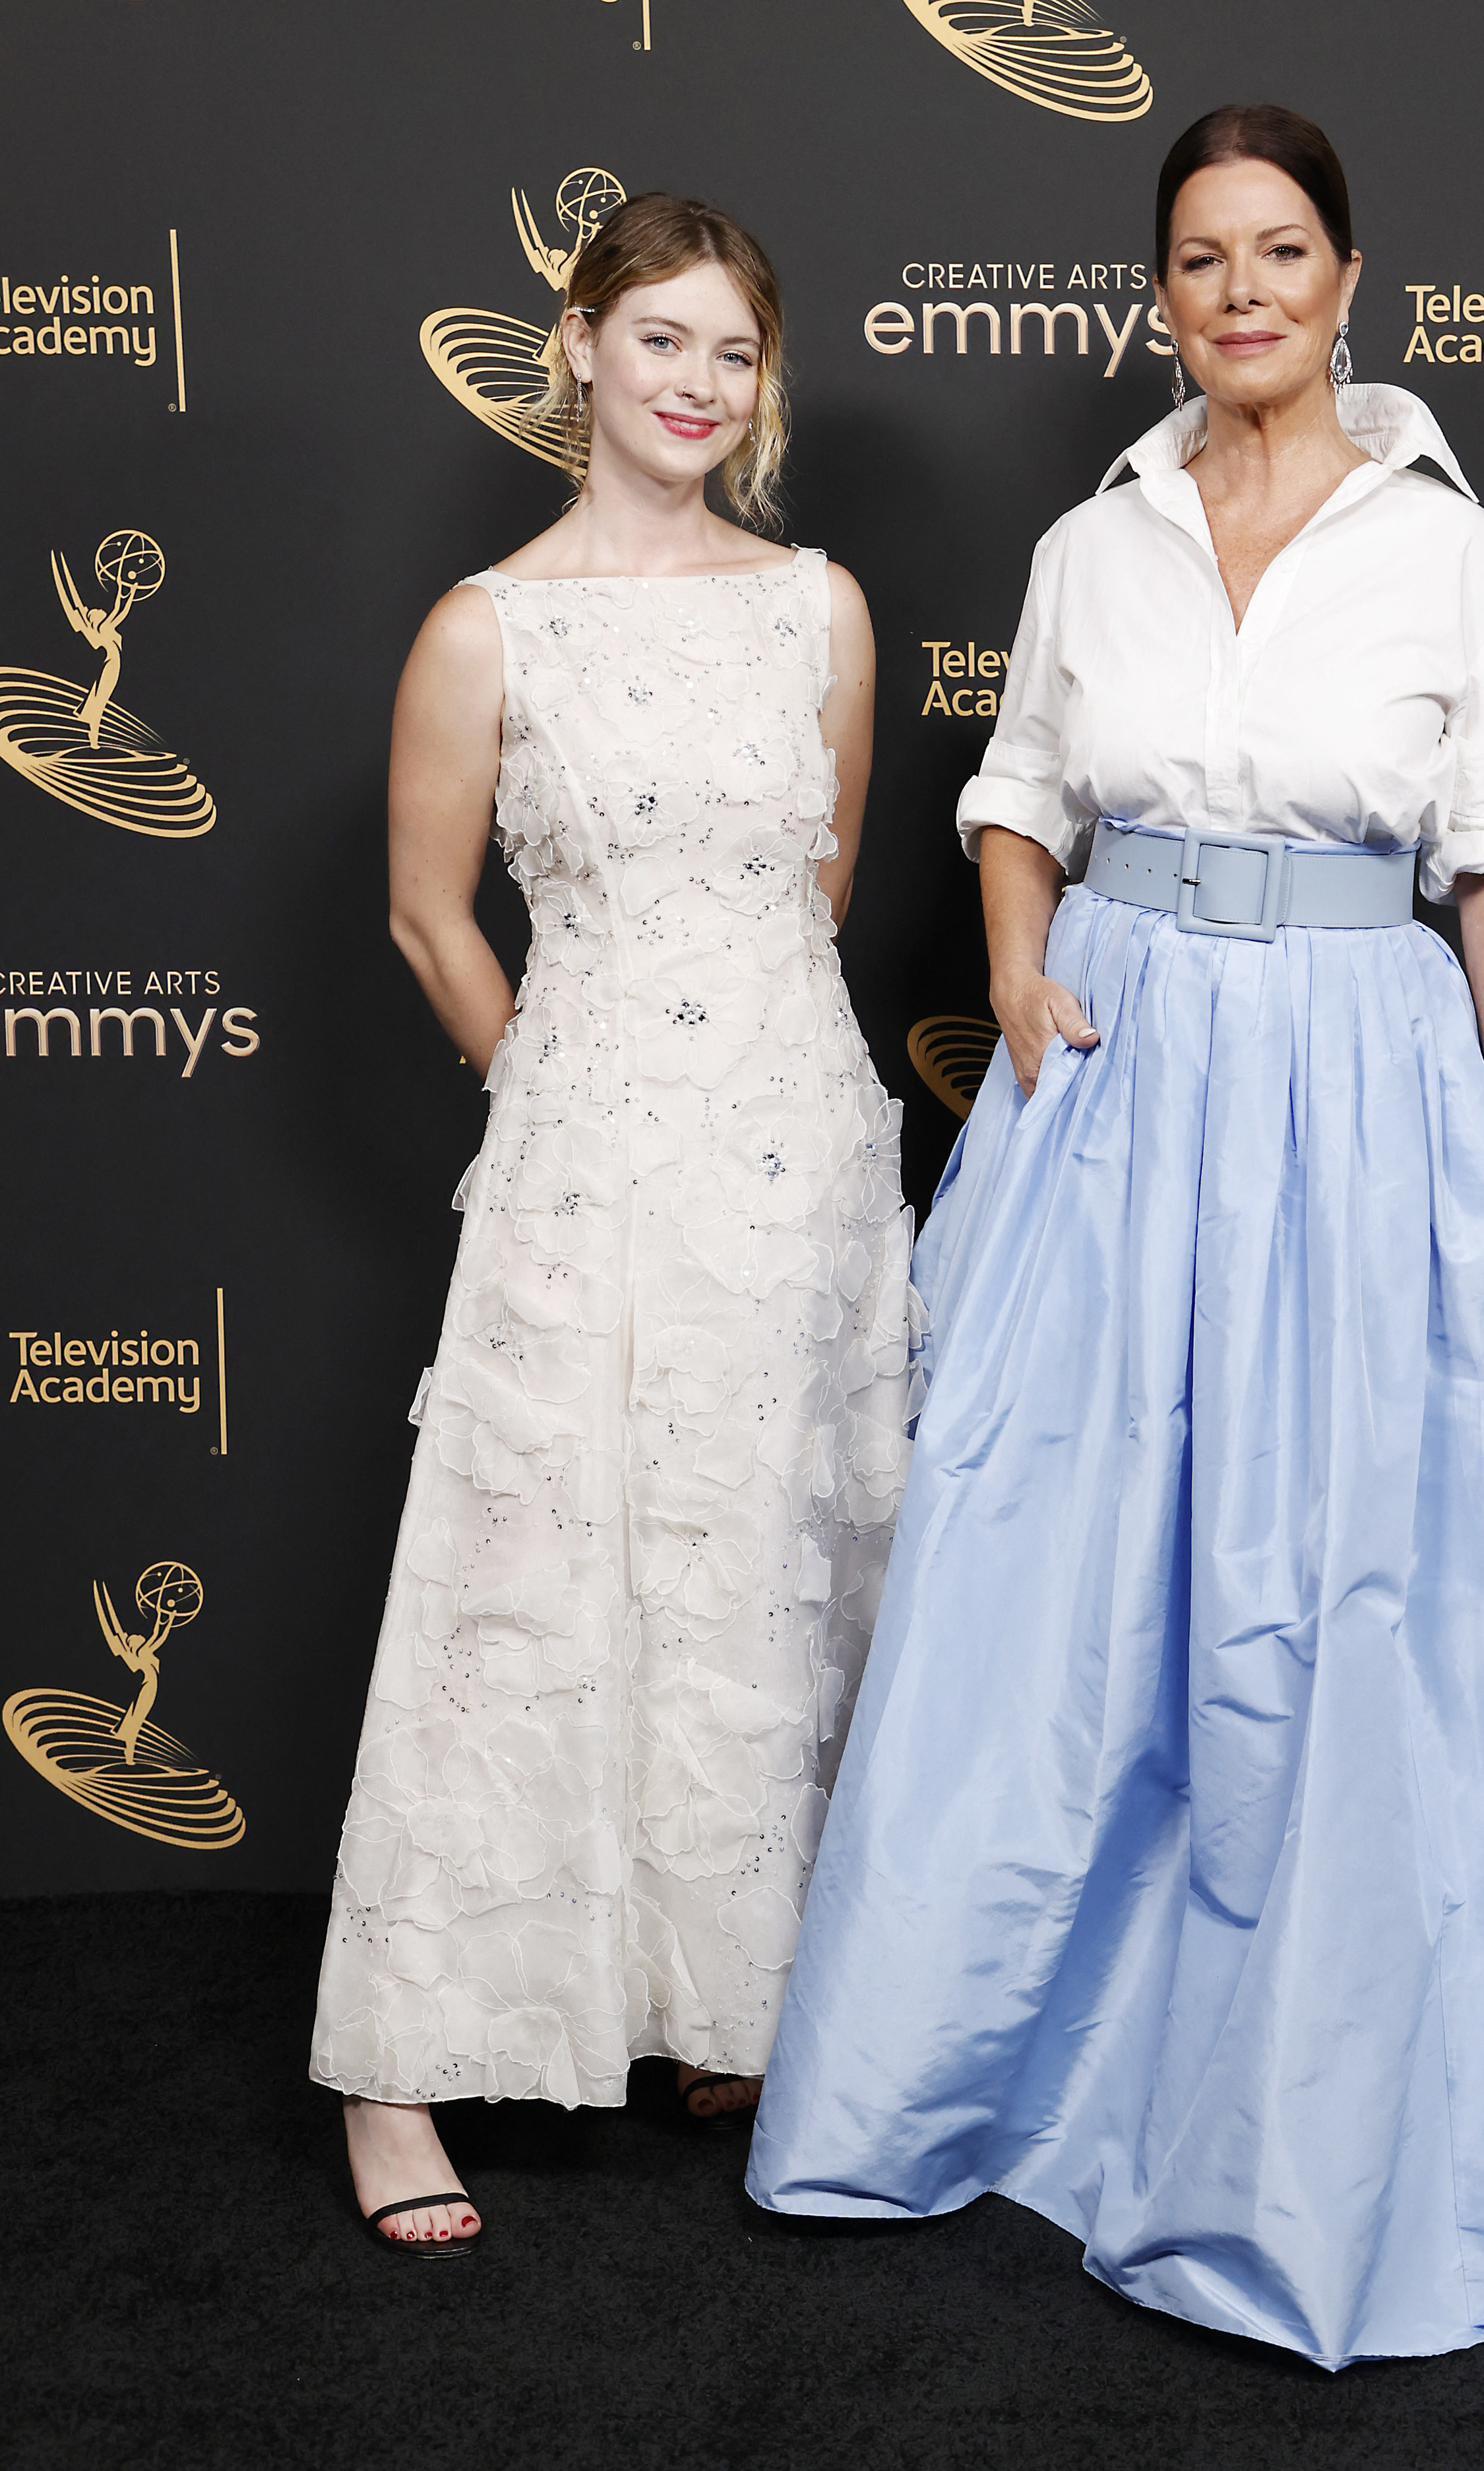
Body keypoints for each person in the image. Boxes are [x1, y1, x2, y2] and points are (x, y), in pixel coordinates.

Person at [746, 105, 1484, 2367]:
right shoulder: (1088, 546)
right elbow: (1016, 791)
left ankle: (1319, 2111)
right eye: (1203, 256)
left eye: (1282, 250)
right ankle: (1005, 2066)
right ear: (1158, 293)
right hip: (1117, 1090)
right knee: (1065, 1576)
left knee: (1345, 1584)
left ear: (1347, 281)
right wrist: (1016, 967)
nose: (1242, 291)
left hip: (1355, 1087)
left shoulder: (1458, 557)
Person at [311, 190, 917, 2256]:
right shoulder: (488, 623)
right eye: (659, 339)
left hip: (802, 1163)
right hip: (584, 1158)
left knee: (764, 1565)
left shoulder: (820, 603)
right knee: (526, 1580)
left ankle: (721, 1999)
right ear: (574, 348)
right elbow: (426, 911)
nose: (695, 384)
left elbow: (807, 893)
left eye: (733, 352)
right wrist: (565, 1092)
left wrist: (737, 1102)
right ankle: (400, 2075)